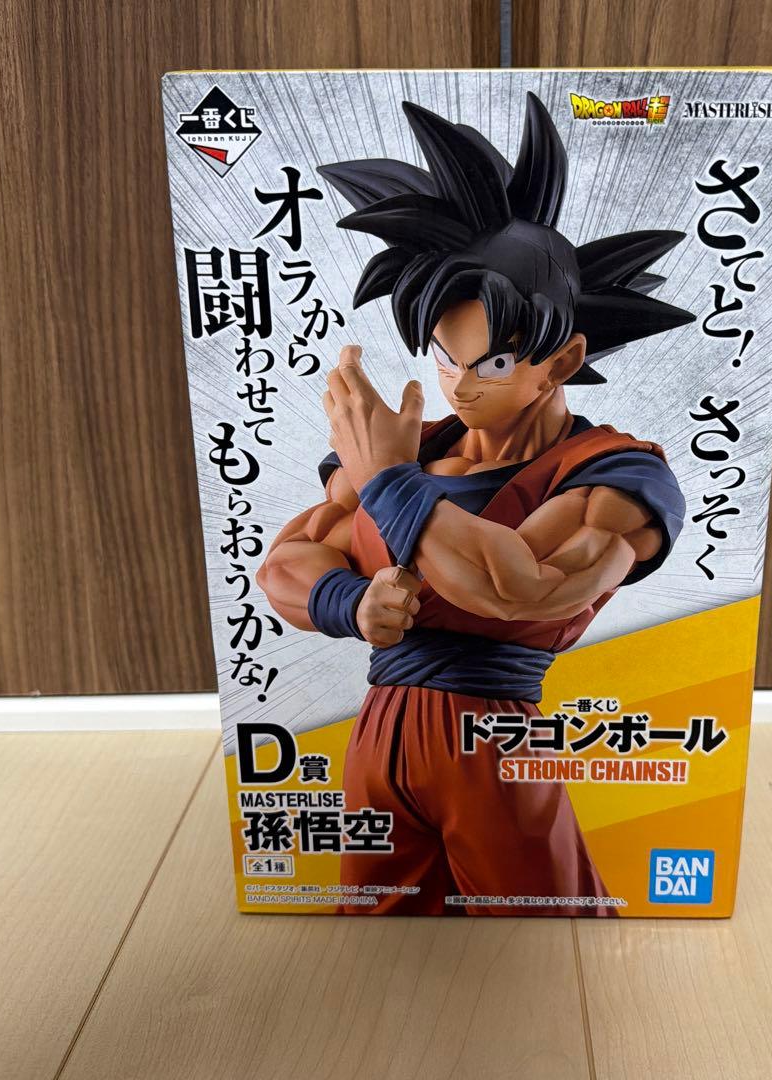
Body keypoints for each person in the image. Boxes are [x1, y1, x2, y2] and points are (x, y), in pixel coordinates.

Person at [256, 93, 693, 915]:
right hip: (377, 740)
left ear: (561, 361)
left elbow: (520, 586)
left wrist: (389, 483)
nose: (460, 386)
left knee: (551, 927)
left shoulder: (613, 475)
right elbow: (285, 561)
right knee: (372, 937)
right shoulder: (413, 446)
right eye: (443, 356)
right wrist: (350, 601)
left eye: (491, 363)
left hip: (493, 741)